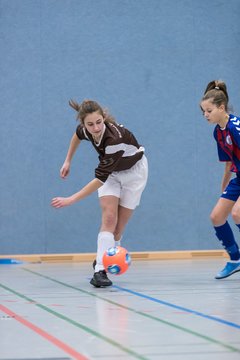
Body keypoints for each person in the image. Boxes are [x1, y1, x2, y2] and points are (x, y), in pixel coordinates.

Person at [51, 99, 148, 287]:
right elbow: (77, 136)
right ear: (84, 124)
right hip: (111, 174)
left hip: (134, 174)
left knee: (118, 230)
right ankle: (100, 270)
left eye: (99, 122)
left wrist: (71, 199)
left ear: (103, 118)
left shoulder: (114, 141)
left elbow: (98, 180)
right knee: (109, 219)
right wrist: (68, 160)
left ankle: (104, 257)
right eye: (90, 124)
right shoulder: (85, 130)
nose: (95, 128)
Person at [200, 80, 240, 279]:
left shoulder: (235, 127)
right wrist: (225, 187)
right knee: (217, 217)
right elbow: (228, 162)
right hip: (238, 178)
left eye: (208, 111)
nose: (205, 115)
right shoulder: (218, 132)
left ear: (221, 107)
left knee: (238, 213)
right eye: (203, 112)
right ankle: (235, 260)